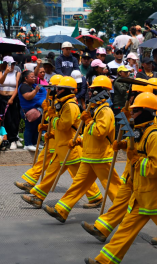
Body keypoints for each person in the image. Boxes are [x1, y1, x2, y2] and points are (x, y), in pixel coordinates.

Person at [84, 92, 157, 264]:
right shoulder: (143, 133)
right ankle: (104, 261)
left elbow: (156, 168)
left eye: (136, 111)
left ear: (146, 112)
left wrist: (136, 161)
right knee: (124, 230)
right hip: (142, 195)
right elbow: (137, 150)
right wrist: (124, 145)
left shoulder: (155, 136)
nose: (132, 114)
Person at [42, 76, 122, 222]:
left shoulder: (105, 111)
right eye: (90, 90)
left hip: (101, 157)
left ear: (102, 92)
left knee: (113, 187)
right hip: (89, 156)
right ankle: (61, 210)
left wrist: (89, 121)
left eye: (93, 90)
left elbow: (99, 133)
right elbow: (90, 134)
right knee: (77, 185)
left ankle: (124, 212)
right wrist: (79, 140)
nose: (90, 93)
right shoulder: (95, 110)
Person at [22, 76, 103, 210]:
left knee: (80, 178)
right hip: (62, 147)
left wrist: (50, 116)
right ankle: (38, 197)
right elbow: (60, 127)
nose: (57, 91)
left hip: (71, 148)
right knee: (51, 174)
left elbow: (64, 125)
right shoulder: (64, 104)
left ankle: (96, 197)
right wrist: (51, 132)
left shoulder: (70, 106)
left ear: (68, 90)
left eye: (60, 89)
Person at [13, 75, 63, 192]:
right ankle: (30, 183)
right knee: (42, 160)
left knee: (77, 172)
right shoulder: (55, 100)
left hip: (64, 141)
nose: (51, 91)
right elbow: (54, 120)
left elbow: (63, 123)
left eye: (54, 88)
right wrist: (47, 126)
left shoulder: (66, 104)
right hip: (53, 137)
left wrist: (50, 117)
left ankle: (94, 195)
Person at [0, 56, 21, 149]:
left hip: (12, 98)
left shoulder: (17, 73)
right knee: (2, 118)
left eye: (13, 64)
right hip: (2, 97)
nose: (12, 66)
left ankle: (13, 139)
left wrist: (12, 99)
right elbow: (1, 82)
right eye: (10, 64)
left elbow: (17, 87)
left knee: (13, 119)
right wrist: (6, 72)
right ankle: (2, 139)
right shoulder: (0, 72)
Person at [17, 70, 46, 151]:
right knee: (29, 127)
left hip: (36, 109)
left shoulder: (33, 85)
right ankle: (27, 144)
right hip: (28, 110)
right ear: (26, 78)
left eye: (34, 77)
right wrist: (36, 91)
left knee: (36, 127)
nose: (34, 78)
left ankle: (34, 143)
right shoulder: (23, 87)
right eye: (32, 77)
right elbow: (28, 97)